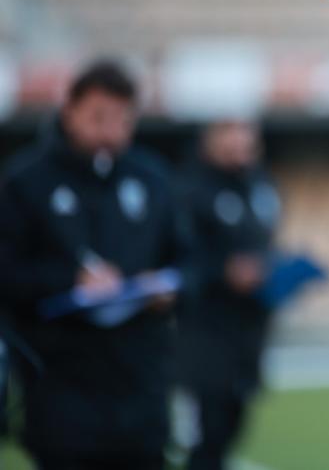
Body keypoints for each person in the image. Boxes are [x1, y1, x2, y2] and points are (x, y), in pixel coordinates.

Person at [0, 59, 190, 470]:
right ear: (69, 111)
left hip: (140, 382)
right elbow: (8, 273)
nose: (110, 131)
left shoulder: (152, 177)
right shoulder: (25, 182)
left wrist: (163, 288)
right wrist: (70, 281)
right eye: (98, 117)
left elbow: (185, 258)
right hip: (60, 384)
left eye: (122, 119)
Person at [176, 119, 279, 470]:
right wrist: (224, 271)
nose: (239, 141)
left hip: (249, 331)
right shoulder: (190, 190)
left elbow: (264, 242)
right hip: (205, 335)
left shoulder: (260, 184)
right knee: (207, 436)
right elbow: (179, 258)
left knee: (233, 425)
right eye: (228, 131)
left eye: (245, 131)